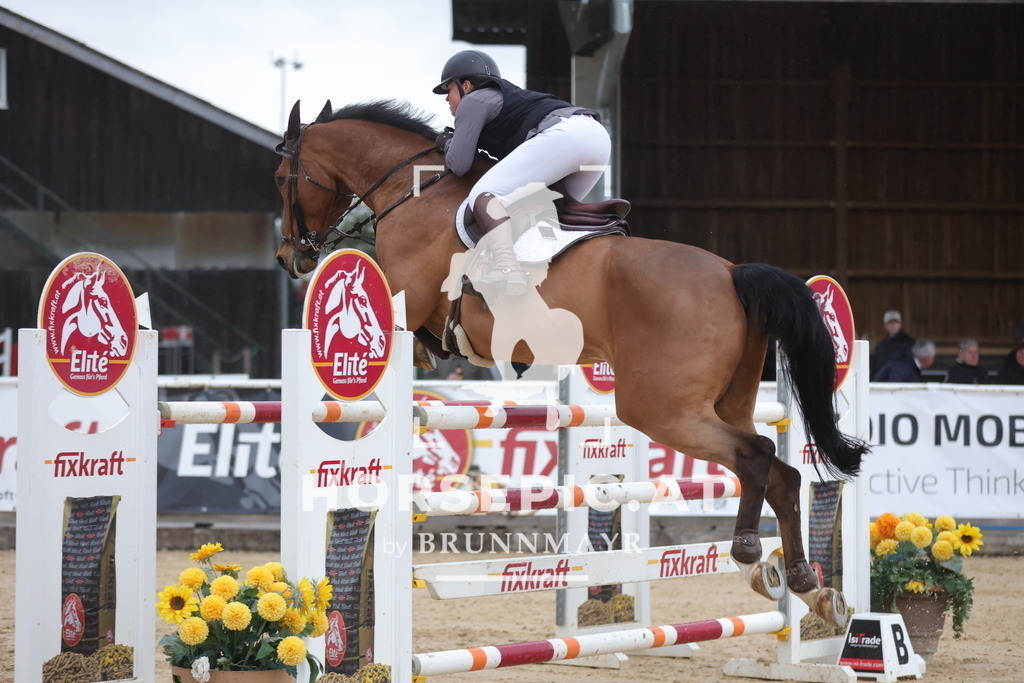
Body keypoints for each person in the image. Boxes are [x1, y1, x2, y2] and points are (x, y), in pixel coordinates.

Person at [432, 49, 611, 294]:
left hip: (568, 136)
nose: (446, 98)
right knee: (545, 210)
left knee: (483, 195)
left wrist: (446, 143)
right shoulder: (505, 100)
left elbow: (459, 164)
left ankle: (506, 268)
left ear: (466, 85)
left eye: (448, 89)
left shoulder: (473, 100)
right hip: (597, 140)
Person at [871, 310, 915, 376]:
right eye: (890, 323)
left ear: (900, 324)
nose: (893, 325)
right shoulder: (881, 345)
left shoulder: (910, 343)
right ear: (885, 326)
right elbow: (876, 367)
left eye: (896, 322)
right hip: (882, 381)